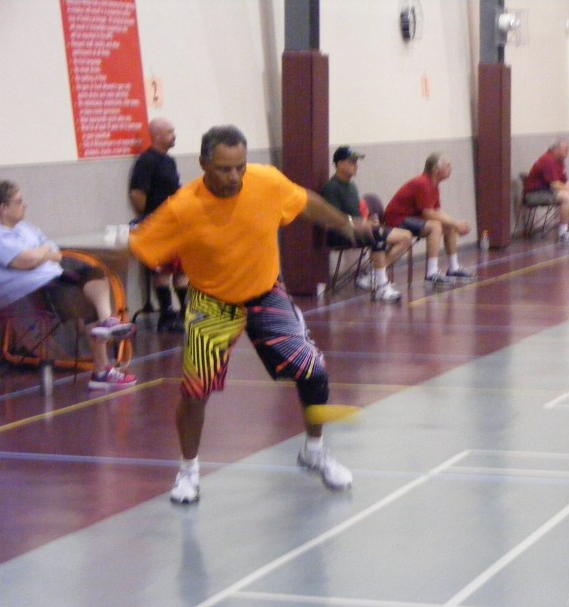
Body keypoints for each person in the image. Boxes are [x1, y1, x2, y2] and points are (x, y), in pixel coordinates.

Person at [129, 125, 369, 503]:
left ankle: (314, 451)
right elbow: (139, 246)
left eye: (240, 166)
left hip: (265, 293)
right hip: (212, 303)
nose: (234, 176)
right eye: (224, 169)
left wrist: (346, 223)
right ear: (204, 164)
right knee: (196, 391)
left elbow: (304, 200)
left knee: (313, 371)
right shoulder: (182, 207)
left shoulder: (266, 182)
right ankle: (188, 471)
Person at [0, 180, 137, 389]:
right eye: (19, 201)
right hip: (29, 293)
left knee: (94, 273)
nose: (25, 205)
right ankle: (101, 369)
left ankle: (107, 324)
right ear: (3, 208)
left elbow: (57, 253)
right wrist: (43, 253)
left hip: (54, 278)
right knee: (83, 302)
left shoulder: (27, 229)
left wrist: (40, 254)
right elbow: (26, 261)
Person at [320, 146, 412, 303]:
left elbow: (356, 214)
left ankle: (373, 275)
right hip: (340, 233)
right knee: (376, 235)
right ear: (340, 164)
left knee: (406, 237)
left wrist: (367, 221)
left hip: (358, 229)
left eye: (356, 162)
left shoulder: (351, 186)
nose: (356, 165)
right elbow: (332, 220)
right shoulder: (331, 188)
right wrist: (359, 224)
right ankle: (381, 287)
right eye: (352, 162)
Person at [129, 118, 188, 331]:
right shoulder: (147, 161)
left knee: (181, 270)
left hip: (175, 223)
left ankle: (185, 312)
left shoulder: (169, 161)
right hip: (158, 225)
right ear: (157, 135)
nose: (174, 135)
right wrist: (151, 218)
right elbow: (137, 194)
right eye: (170, 132)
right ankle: (166, 313)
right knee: (163, 271)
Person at [384, 152, 474, 285]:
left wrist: (454, 224)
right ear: (436, 169)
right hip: (397, 219)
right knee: (435, 227)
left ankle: (453, 268)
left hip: (411, 219)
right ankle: (432, 273)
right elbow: (428, 214)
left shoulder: (434, 185)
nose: (451, 168)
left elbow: (437, 211)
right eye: (447, 165)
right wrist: (456, 224)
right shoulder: (422, 183)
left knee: (448, 226)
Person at [523, 138, 569, 244]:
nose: (567, 152)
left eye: (568, 149)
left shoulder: (560, 161)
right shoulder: (548, 160)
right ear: (556, 150)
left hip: (547, 191)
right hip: (534, 194)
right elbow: (555, 184)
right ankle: (563, 233)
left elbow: (564, 182)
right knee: (566, 197)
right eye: (565, 149)